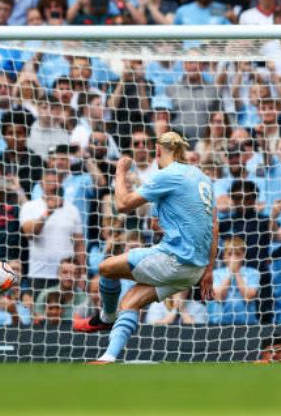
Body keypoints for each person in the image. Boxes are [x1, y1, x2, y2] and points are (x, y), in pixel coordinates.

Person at [80, 132, 216, 364]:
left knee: (105, 268)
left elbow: (123, 205)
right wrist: (209, 270)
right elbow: (213, 227)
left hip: (174, 259)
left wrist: (120, 171)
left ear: (157, 151)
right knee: (131, 300)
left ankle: (106, 316)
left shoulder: (168, 174)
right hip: (195, 269)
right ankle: (108, 357)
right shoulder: (202, 178)